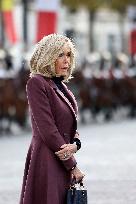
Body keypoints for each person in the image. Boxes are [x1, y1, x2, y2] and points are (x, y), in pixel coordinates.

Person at [19, 33, 85, 204]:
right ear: (48, 56)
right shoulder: (37, 83)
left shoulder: (62, 86)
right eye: (60, 54)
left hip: (62, 160)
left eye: (68, 55)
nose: (66, 60)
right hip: (47, 160)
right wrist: (72, 165)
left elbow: (70, 126)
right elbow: (48, 130)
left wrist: (76, 144)